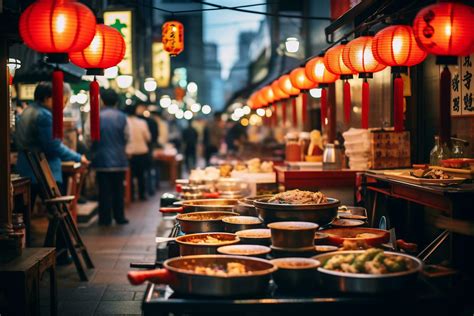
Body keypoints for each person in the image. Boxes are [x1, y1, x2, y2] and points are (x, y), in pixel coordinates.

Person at [14, 81, 89, 263]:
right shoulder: (45, 116)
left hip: (25, 170)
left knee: (23, 215)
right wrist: (79, 157)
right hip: (45, 173)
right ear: (49, 98)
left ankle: (22, 251)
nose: (63, 104)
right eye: (62, 100)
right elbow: (54, 147)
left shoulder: (26, 112)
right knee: (58, 214)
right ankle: (62, 254)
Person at [86, 89, 129, 225]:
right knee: (118, 190)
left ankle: (105, 219)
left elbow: (88, 136)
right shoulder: (122, 117)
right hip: (119, 159)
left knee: (104, 191)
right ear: (116, 101)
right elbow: (127, 136)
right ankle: (119, 216)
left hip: (101, 159)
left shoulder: (95, 116)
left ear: (102, 101)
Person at [125, 105, 151, 201]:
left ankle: (131, 195)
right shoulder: (142, 122)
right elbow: (148, 137)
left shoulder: (125, 122)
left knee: (130, 176)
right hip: (142, 151)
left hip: (129, 153)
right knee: (141, 175)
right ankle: (142, 194)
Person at [135, 102, 158, 196]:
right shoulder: (150, 121)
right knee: (147, 171)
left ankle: (141, 192)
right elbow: (152, 137)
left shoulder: (140, 121)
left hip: (140, 150)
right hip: (146, 149)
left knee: (142, 172)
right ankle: (148, 191)